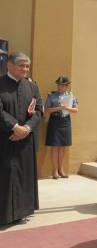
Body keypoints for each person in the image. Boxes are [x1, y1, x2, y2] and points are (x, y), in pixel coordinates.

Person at [0, 52, 43, 225]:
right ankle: (4, 215)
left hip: (25, 141)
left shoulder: (32, 87)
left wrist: (26, 128)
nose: (25, 69)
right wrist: (14, 127)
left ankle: (21, 212)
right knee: (6, 175)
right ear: (9, 66)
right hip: (5, 139)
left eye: (27, 66)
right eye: (21, 65)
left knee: (24, 176)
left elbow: (39, 110)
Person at [45, 76, 79, 179]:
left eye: (62, 85)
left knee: (63, 146)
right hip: (55, 121)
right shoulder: (52, 95)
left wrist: (66, 108)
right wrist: (58, 108)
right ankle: (55, 170)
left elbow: (76, 110)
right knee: (55, 146)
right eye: (58, 85)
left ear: (67, 86)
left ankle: (61, 169)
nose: (59, 87)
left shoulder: (71, 96)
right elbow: (47, 109)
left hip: (65, 121)